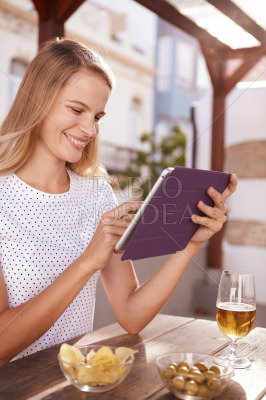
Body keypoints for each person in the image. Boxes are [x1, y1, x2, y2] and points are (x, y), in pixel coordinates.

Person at [0, 38, 237, 365]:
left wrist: (191, 244)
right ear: (37, 101)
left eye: (97, 116)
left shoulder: (98, 194)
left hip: (78, 384)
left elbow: (131, 314)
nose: (89, 129)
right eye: (76, 109)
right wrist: (86, 264)